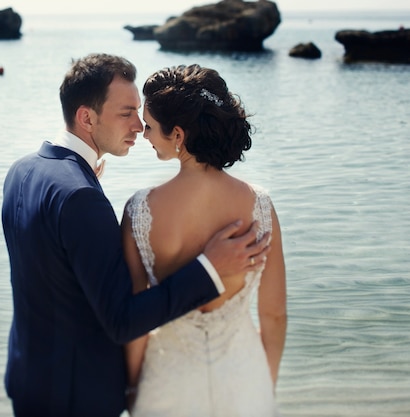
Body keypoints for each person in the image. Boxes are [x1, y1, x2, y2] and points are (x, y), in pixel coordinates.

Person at [1, 54, 270, 417]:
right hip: (76, 397)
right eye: (126, 112)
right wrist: (209, 268)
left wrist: (82, 188)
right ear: (86, 117)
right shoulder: (79, 197)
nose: (139, 124)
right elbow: (122, 321)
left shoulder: (24, 171)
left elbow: (53, 268)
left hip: (28, 380)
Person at [122, 64, 287, 416]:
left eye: (150, 127)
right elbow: (273, 315)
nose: (145, 135)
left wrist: (135, 387)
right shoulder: (259, 205)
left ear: (178, 135)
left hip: (167, 384)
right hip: (245, 380)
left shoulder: (139, 211)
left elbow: (136, 319)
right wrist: (264, 382)